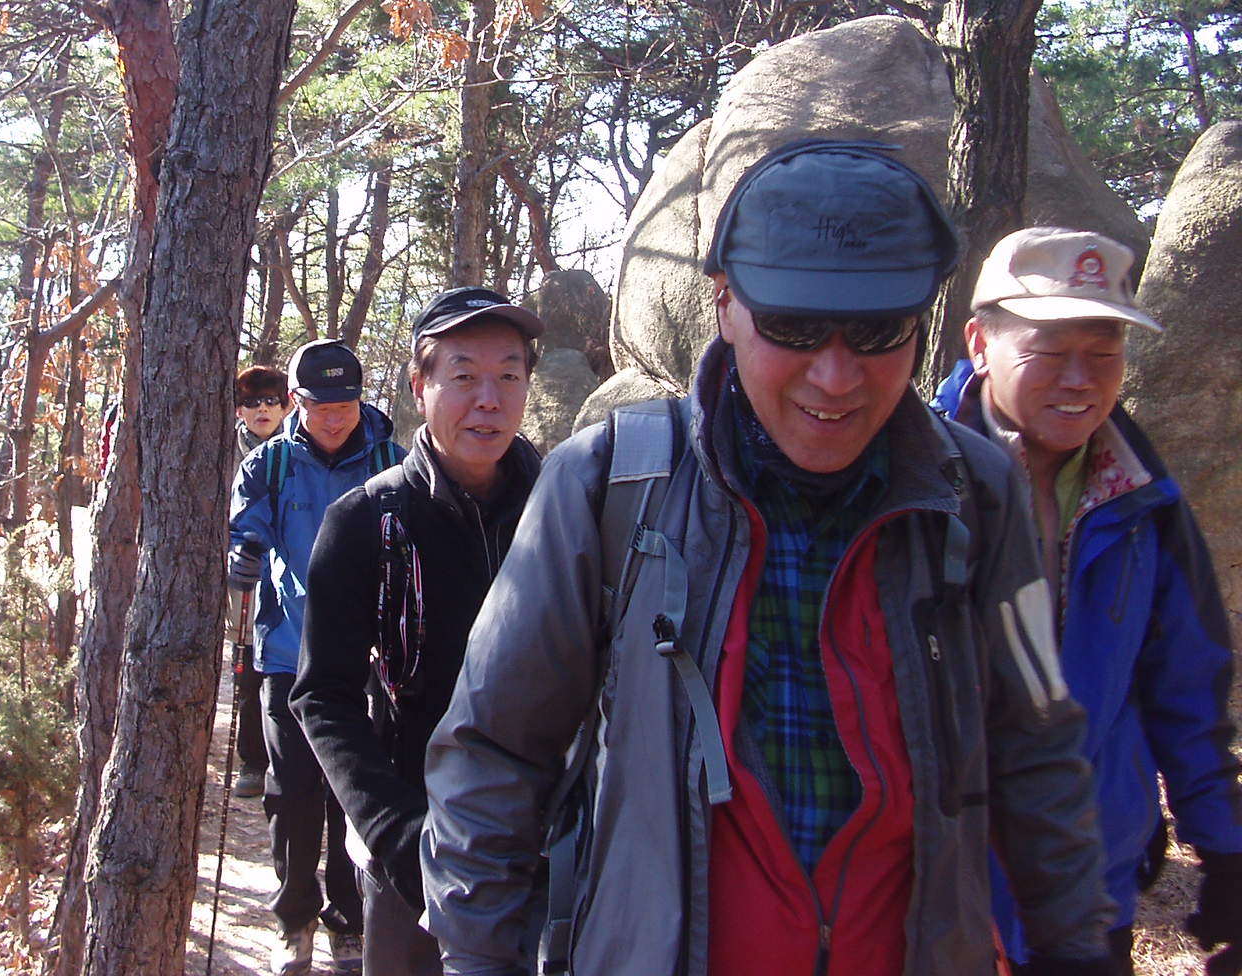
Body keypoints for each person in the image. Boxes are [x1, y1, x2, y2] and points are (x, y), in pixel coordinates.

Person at [422, 139, 1118, 975]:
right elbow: (494, 749)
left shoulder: (976, 495)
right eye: (793, 326)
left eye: (878, 331)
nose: (836, 376)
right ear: (724, 304)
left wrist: (1077, 948)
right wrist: (478, 959)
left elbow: (1038, 748)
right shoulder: (609, 485)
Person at [933, 227, 1242, 975]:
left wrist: (1226, 850)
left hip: (1092, 884)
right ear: (980, 343)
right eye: (1050, 351)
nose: (1080, 380)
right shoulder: (918, 488)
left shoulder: (1142, 498)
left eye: (1104, 355)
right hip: (942, 897)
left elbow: (1186, 686)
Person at [292, 288, 545, 976]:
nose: (489, 399)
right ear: (418, 386)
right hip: (416, 845)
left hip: (550, 843)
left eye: (509, 375)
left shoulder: (565, 510)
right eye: (464, 376)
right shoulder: (367, 521)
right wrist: (398, 833)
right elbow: (323, 695)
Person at [228, 339, 405, 976]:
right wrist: (242, 555)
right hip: (288, 653)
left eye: (346, 404)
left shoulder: (392, 461)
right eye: (322, 405)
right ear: (297, 401)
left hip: (369, 659)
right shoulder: (270, 465)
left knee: (352, 791)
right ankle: (293, 919)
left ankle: (349, 921)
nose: (335, 418)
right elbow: (243, 529)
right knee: (292, 792)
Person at [231, 363, 290, 798]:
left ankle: (288, 759)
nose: (262, 409)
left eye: (271, 400)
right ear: (239, 410)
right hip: (244, 579)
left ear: (287, 406)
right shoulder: (224, 456)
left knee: (288, 668)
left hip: (291, 578)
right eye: (251, 402)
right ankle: (253, 761)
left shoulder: (299, 451)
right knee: (249, 667)